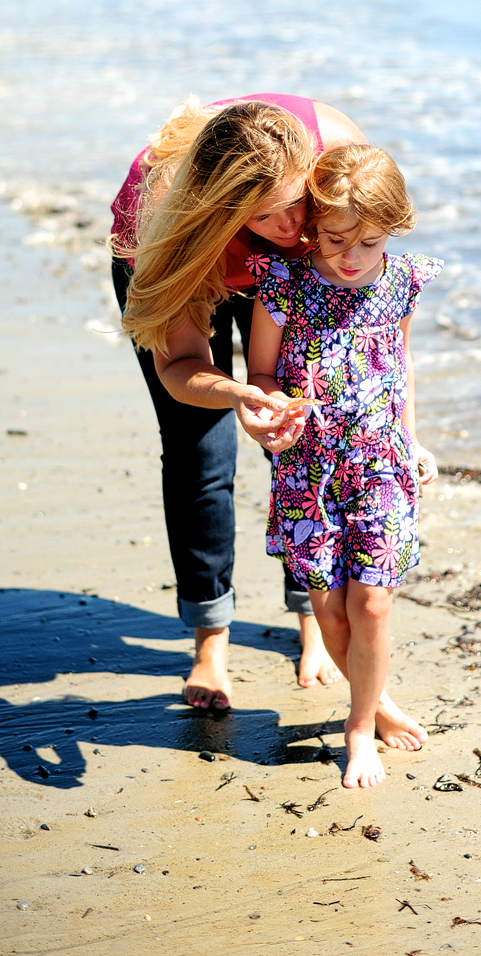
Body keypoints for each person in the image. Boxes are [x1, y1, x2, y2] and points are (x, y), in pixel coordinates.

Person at [113, 94, 365, 711]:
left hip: (289, 278)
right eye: (268, 215)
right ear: (229, 209)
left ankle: (312, 618)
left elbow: (373, 247)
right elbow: (179, 364)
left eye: (299, 202)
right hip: (187, 259)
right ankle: (210, 641)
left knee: (305, 432)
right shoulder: (163, 226)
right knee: (201, 451)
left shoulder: (332, 146)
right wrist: (232, 391)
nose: (291, 225)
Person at [246, 143, 443, 787]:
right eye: (334, 238)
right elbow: (261, 370)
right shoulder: (284, 285)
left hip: (382, 464)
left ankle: (359, 733)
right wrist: (270, 412)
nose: (350, 256)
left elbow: (402, 365)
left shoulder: (401, 281)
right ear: (312, 225)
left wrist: (413, 442)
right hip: (309, 471)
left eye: (369, 241)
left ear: (396, 227)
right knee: (330, 610)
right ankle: (377, 703)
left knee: (375, 605)